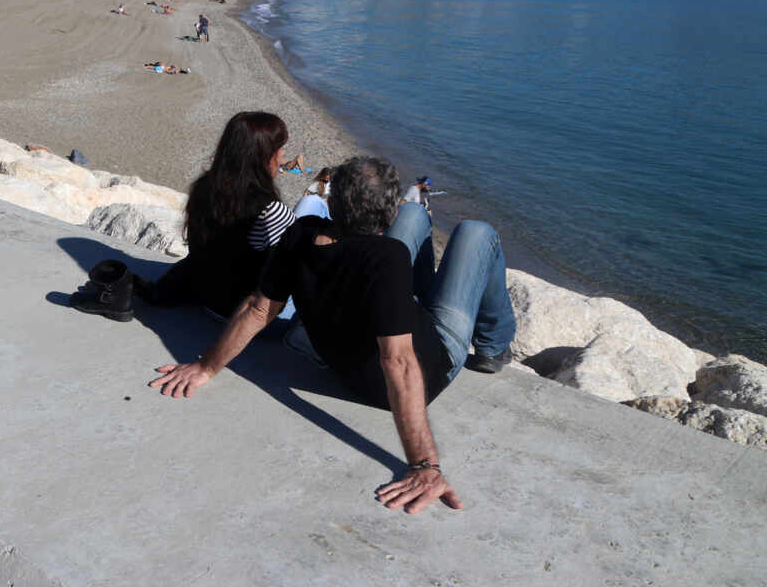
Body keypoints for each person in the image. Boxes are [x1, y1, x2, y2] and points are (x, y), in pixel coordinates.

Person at [149, 156, 517, 515]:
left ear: (334, 200)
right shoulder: (386, 256)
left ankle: (421, 295)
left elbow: (259, 308)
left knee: (416, 215)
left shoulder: (301, 233)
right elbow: (400, 361)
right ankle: (493, 345)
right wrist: (425, 465)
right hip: (429, 366)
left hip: (350, 360)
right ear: (386, 214)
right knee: (476, 233)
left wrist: (206, 367)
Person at [71, 112, 298, 323]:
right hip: (239, 314)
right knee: (311, 210)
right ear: (263, 155)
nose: (283, 156)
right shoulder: (270, 209)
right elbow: (285, 272)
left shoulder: (205, 186)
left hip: (204, 292)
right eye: (280, 149)